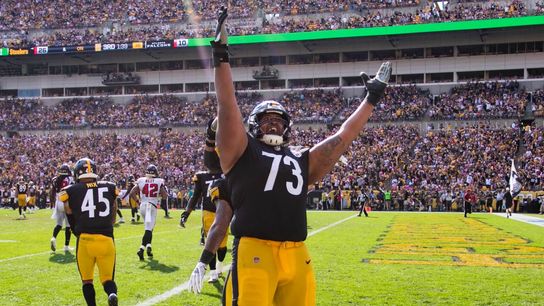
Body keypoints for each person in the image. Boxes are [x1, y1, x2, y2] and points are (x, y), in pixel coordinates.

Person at [209, 7, 391, 305]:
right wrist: (221, 56)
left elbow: (341, 138)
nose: (273, 124)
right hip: (255, 251)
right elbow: (226, 105)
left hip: (297, 255)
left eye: (279, 121)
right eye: (267, 120)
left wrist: (371, 100)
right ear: (254, 125)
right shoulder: (242, 149)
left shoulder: (299, 156)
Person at [60, 158, 119, 306]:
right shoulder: (110, 186)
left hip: (85, 241)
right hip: (106, 240)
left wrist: (74, 226)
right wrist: (110, 222)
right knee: (107, 279)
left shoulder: (70, 190)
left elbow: (66, 207)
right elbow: (114, 206)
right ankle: (111, 294)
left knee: (87, 281)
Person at [186, 117, 231, 288]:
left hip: (226, 209)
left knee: (223, 244)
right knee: (211, 240)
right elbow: (196, 194)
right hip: (208, 211)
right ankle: (213, 272)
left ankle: (219, 267)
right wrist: (187, 212)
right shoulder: (203, 175)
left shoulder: (228, 171)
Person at [129, 164, 168, 260]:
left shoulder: (141, 180)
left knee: (149, 227)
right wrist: (159, 195)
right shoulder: (159, 181)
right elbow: (165, 195)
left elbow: (132, 193)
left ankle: (149, 246)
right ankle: (141, 249)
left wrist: (138, 201)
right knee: (148, 229)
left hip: (143, 206)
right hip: (151, 207)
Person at [50, 164, 75, 252]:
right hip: (66, 202)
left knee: (59, 224)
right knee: (68, 225)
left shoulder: (55, 179)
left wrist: (52, 203)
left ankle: (53, 238)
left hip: (58, 202)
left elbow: (52, 192)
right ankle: (66, 246)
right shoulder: (69, 179)